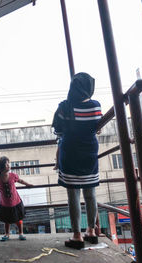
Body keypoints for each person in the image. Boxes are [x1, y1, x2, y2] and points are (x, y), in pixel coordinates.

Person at [52, 72, 102, 249]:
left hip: (70, 153)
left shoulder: (64, 107)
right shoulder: (96, 107)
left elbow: (58, 132)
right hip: (89, 152)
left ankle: (77, 236)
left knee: (73, 194)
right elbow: (95, 127)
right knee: (91, 193)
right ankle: (92, 231)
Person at [0, 156, 33, 241]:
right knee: (6, 221)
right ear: (0, 168)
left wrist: (27, 184)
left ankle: (21, 233)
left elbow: (20, 181)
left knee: (18, 219)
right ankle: (7, 234)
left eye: (8, 164)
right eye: (6, 164)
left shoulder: (13, 176)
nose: (9, 165)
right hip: (4, 204)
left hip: (16, 202)